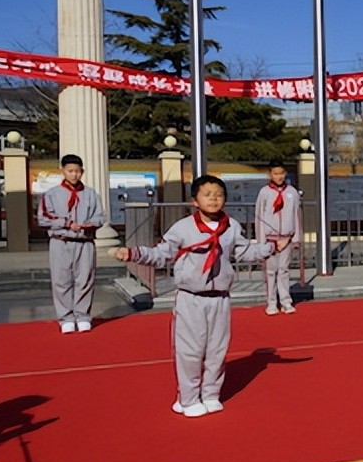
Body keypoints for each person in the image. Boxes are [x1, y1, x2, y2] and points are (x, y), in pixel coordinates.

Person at [114, 175, 287, 418]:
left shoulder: (232, 227)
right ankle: (188, 397)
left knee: (217, 349)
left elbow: (245, 251)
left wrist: (271, 247)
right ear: (194, 200)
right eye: (208, 194)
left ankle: (211, 394)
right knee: (190, 350)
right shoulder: (183, 228)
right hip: (190, 297)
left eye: (219, 194)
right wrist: (133, 253)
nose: (214, 199)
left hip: (220, 298)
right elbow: (162, 254)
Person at [38, 154, 105, 334]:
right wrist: (67, 223)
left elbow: (100, 216)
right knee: (61, 280)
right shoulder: (52, 194)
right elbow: (44, 218)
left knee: (85, 279)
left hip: (84, 242)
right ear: (63, 171)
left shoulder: (91, 194)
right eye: (70, 171)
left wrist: (88, 224)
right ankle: (66, 317)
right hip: (61, 241)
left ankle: (83, 315)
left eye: (77, 171)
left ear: (82, 172)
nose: (74, 175)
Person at [255, 161, 302, 315]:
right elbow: (259, 216)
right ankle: (271, 302)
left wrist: (295, 238)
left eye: (281, 173)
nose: (279, 177)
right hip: (270, 238)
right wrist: (261, 241)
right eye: (275, 173)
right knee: (270, 271)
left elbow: (296, 215)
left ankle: (286, 301)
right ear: (270, 174)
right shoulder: (264, 192)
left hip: (286, 237)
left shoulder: (292, 192)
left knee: (284, 270)